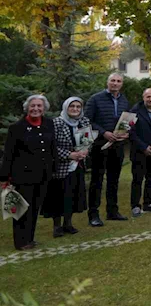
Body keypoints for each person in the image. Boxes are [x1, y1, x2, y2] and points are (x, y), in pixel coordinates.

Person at [0, 95, 56, 250]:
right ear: (27, 108)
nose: (36, 109)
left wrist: (53, 168)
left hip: (43, 175)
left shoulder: (49, 124)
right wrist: (5, 177)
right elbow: (9, 154)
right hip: (22, 176)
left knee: (35, 208)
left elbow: (52, 148)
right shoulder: (16, 127)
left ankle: (30, 238)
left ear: (44, 108)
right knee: (21, 209)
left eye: (39, 106)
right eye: (33, 106)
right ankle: (21, 241)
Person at [85, 73, 130, 227]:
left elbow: (126, 121)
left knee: (113, 180)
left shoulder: (124, 100)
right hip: (100, 146)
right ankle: (93, 214)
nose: (115, 83)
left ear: (121, 84)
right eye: (113, 80)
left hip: (117, 147)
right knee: (97, 180)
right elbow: (87, 121)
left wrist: (125, 133)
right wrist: (104, 132)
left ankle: (112, 211)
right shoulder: (95, 99)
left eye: (118, 81)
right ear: (107, 82)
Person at [44, 97, 90, 237]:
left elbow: (88, 141)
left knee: (73, 195)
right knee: (58, 196)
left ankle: (68, 223)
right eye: (72, 106)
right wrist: (69, 155)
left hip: (78, 166)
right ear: (66, 107)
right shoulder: (56, 123)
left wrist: (85, 151)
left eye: (78, 106)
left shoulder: (84, 121)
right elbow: (50, 146)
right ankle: (57, 226)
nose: (75, 109)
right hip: (61, 166)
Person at [128, 88, 151, 216]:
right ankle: (135, 206)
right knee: (137, 180)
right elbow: (131, 132)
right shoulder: (135, 111)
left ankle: (148, 203)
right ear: (143, 97)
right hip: (140, 152)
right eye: (148, 97)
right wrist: (143, 147)